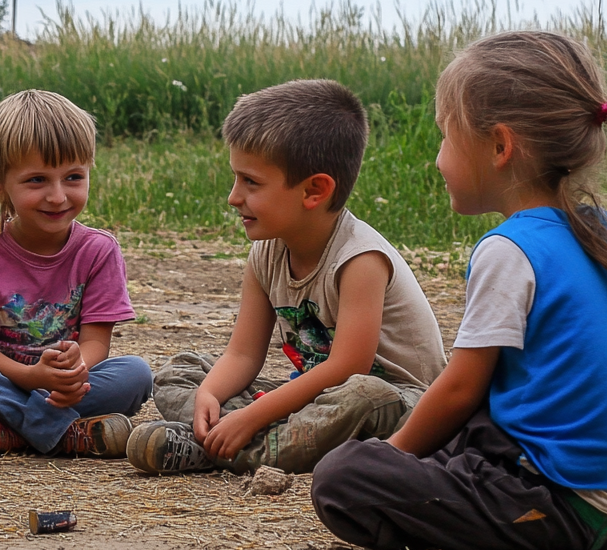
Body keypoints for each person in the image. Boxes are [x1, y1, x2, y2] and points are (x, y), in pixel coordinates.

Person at [311, 31, 607, 550]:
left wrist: (394, 456)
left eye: (446, 138)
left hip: (549, 499)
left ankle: (429, 516)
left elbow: (459, 390)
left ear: (499, 146)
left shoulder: (510, 250)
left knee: (343, 475)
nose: (437, 158)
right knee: (458, 428)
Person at [127, 80, 446, 475]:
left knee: (363, 395)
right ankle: (232, 437)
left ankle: (217, 448)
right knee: (181, 370)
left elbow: (348, 369)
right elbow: (242, 356)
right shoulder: (265, 253)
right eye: (236, 178)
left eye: (251, 182)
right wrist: (210, 393)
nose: (232, 196)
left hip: (397, 406)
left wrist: (254, 414)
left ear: (314, 191)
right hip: (313, 405)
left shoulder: (360, 259)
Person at [0, 90, 152, 457]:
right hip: (3, 380)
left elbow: (97, 345)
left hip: (67, 390)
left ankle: (9, 432)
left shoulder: (98, 250)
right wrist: (30, 377)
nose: (58, 196)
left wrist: (74, 371)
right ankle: (66, 433)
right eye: (37, 181)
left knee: (136, 374)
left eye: (73, 177)